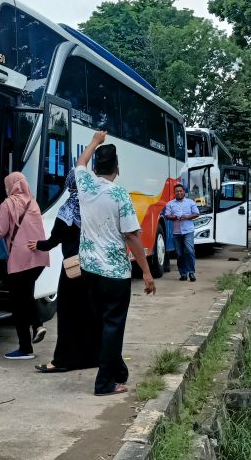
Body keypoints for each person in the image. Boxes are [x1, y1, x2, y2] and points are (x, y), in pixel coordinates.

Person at [76, 130, 155, 396]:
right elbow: (131, 236)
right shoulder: (120, 195)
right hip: (114, 272)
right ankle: (104, 383)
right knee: (113, 325)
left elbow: (80, 163)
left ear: (96, 167)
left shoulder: (84, 184)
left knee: (102, 323)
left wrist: (95, 141)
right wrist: (146, 271)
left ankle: (118, 371)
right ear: (117, 168)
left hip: (88, 268)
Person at [27, 170, 101, 373]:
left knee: (68, 315)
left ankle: (62, 360)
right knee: (90, 313)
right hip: (95, 267)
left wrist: (38, 245)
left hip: (73, 270)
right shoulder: (95, 205)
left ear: (70, 184)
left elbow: (53, 240)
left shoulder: (68, 209)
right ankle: (92, 357)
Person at [0, 172, 50, 359]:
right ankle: (37, 326)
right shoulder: (33, 202)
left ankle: (25, 349)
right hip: (39, 256)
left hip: (20, 258)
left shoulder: (7, 204)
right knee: (26, 296)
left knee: (19, 304)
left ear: (10, 186)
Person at [163, 184, 200, 281]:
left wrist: (187, 217)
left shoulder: (190, 202)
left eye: (181, 191)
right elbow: (167, 216)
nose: (179, 193)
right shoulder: (170, 204)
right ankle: (183, 274)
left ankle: (191, 272)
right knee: (179, 254)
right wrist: (174, 217)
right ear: (174, 193)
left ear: (184, 192)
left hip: (188, 231)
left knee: (189, 250)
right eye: (177, 191)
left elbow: (196, 213)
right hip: (176, 232)